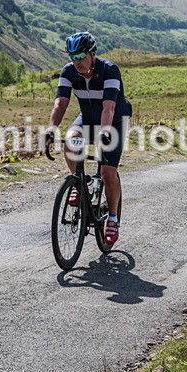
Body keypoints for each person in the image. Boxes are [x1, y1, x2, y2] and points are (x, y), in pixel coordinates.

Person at [43, 32, 131, 245]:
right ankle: (78, 182)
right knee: (70, 140)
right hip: (87, 118)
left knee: (108, 173)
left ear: (93, 53)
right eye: (72, 56)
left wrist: (105, 133)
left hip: (114, 120)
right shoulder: (69, 71)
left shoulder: (109, 70)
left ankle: (112, 218)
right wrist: (50, 130)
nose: (76, 61)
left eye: (81, 55)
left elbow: (109, 107)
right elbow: (60, 104)